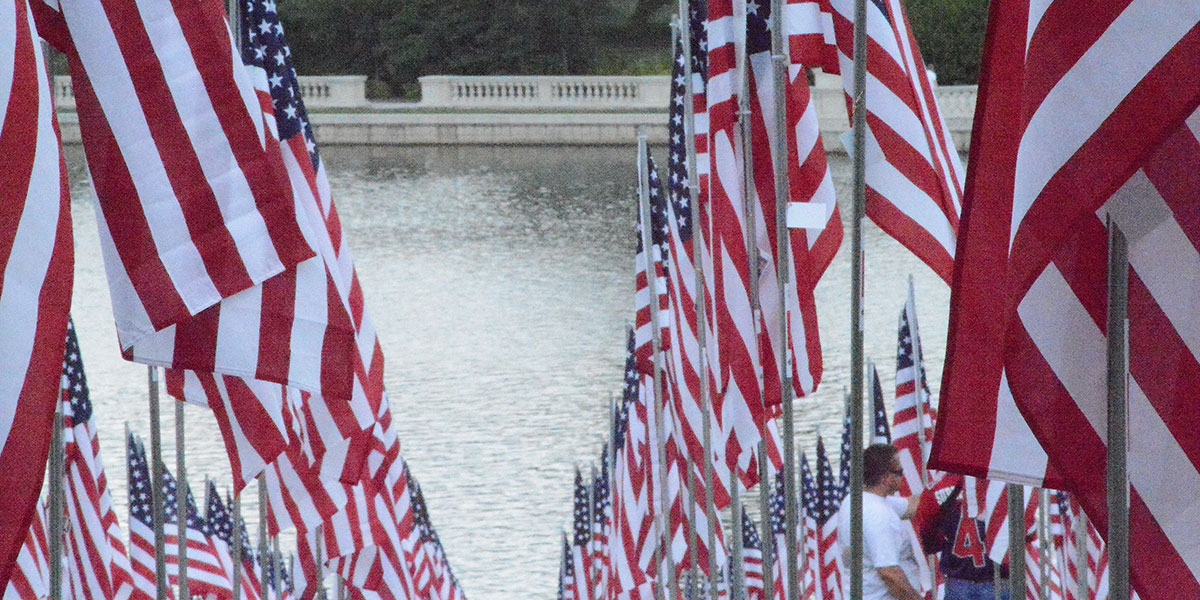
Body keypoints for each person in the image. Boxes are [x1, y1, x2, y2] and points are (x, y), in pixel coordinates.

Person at [838, 443, 923, 600]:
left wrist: (949, 486)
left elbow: (914, 506)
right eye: (899, 472)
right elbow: (889, 574)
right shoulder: (878, 515)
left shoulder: (855, 500)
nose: (903, 476)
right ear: (886, 478)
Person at [919, 480, 1010, 600]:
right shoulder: (1003, 483)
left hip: (958, 580)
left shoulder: (938, 485)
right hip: (997, 577)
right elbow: (1027, 531)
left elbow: (929, 539)